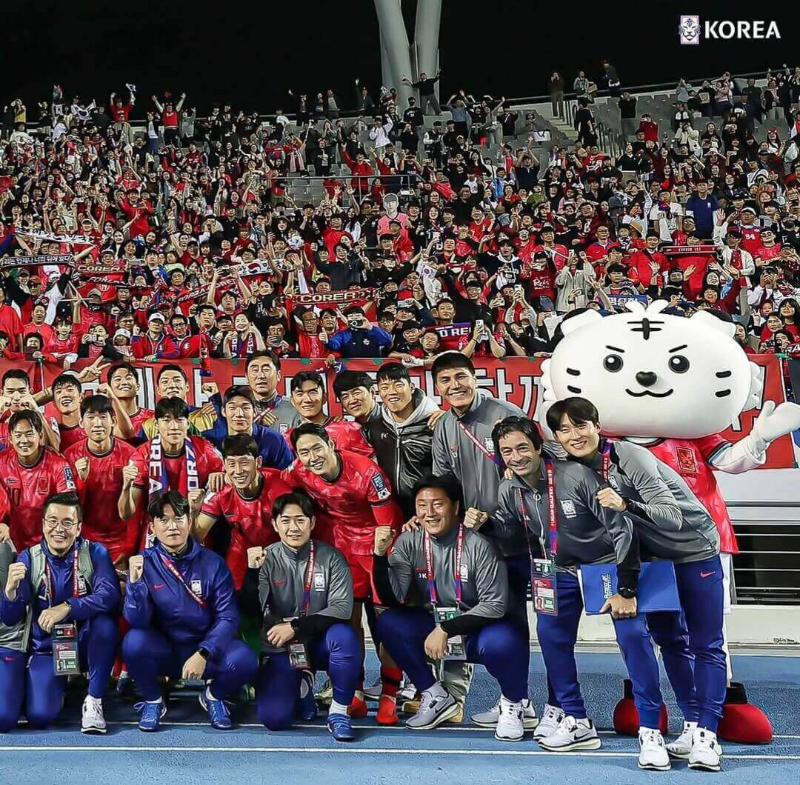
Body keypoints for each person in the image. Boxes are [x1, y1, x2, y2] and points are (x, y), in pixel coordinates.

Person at [547, 397, 727, 770]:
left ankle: (708, 736)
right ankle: (691, 724)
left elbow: (672, 516)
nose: (574, 435)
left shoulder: (629, 456)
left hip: (693, 550)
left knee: (706, 644)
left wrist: (626, 505)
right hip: (652, 559)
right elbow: (520, 452)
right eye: (563, 429)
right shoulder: (572, 466)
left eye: (580, 425)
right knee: (670, 639)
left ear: (597, 426)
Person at [489, 417, 675, 770]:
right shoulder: (508, 488)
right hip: (556, 570)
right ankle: (576, 719)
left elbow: (622, 530)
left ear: (539, 447)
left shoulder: (575, 476)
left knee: (633, 638)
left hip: (604, 567)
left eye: (522, 447)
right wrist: (484, 523)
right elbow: (510, 532)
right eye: (507, 451)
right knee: (550, 636)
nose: (516, 457)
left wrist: (626, 587)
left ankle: (651, 730)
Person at [372, 474, 529, 740]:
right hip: (434, 623)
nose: (429, 513)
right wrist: (379, 556)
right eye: (422, 505)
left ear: (456, 507)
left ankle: (513, 703)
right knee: (389, 623)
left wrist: (446, 628)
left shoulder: (480, 544)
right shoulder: (409, 541)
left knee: (506, 640)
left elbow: (495, 605)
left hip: (477, 628)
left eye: (438, 504)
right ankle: (434, 694)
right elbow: (393, 598)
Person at [281, 423, 404, 723]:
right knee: (348, 620)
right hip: (341, 549)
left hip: (377, 545)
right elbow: (276, 482)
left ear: (331, 445)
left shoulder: (367, 472)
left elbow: (387, 525)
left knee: (386, 622)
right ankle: (355, 691)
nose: (312, 457)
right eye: (304, 452)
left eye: (317, 448)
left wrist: (383, 557)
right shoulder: (299, 470)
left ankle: (389, 694)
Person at [122, 490, 257, 731]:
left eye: (178, 518)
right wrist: (134, 584)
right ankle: (153, 701)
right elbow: (138, 621)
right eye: (163, 520)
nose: (172, 526)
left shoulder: (213, 563)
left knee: (245, 659)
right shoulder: (144, 562)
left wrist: (204, 652)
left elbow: (228, 616)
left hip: (204, 649)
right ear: (152, 527)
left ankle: (213, 696)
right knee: (133, 642)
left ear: (189, 520)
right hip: (165, 649)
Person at [241, 491, 361, 741]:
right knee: (275, 720)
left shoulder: (331, 558)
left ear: (312, 523)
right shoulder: (266, 558)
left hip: (319, 642)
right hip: (281, 646)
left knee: (345, 637)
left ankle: (339, 713)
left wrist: (295, 626)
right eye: (285, 521)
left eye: (300, 520)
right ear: (275, 524)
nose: (293, 528)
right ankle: (302, 683)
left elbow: (342, 608)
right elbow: (251, 612)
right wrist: (251, 574)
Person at [0, 492, 120, 734]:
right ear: (43, 524)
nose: (59, 529)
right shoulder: (29, 558)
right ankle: (54, 692)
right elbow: (11, 618)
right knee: (39, 716)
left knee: (105, 624)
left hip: (86, 642)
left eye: (67, 522)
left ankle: (94, 700)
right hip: (47, 647)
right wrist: (10, 592)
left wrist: (67, 607)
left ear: (78, 528)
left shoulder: (95, 553)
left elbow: (110, 596)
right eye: (53, 521)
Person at [195, 435, 292, 590]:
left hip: (280, 547)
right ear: (224, 465)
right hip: (241, 550)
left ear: (258, 462)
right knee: (232, 592)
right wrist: (193, 510)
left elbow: (295, 533)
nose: (238, 471)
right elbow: (196, 536)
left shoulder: (280, 486)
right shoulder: (220, 490)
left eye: (244, 462)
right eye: (231, 464)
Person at [65, 395, 147, 571]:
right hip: (83, 541)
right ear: (81, 422)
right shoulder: (70, 456)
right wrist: (81, 481)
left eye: (103, 417)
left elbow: (132, 514)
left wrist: (129, 548)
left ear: (113, 421)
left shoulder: (131, 456)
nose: (97, 423)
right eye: (91, 417)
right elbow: (70, 512)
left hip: (121, 543)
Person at [363, 362, 443, 517]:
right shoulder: (374, 427)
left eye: (398, 385)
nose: (391, 392)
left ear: (411, 387)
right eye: (385, 387)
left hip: (428, 512)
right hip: (390, 512)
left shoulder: (435, 423)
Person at [136, 398, 225, 522]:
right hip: (154, 524)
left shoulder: (204, 449)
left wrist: (220, 474)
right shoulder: (142, 454)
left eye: (179, 420)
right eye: (166, 420)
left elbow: (229, 474)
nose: (174, 427)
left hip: (195, 521)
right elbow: (130, 510)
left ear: (188, 424)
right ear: (156, 425)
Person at [0, 410, 76, 550]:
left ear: (40, 436)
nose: (24, 440)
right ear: (10, 438)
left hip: (48, 543)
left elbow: (69, 505)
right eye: (18, 435)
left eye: (29, 434)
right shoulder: (1, 462)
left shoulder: (59, 464)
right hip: (10, 540)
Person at [200, 386, 293, 470]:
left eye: (245, 408)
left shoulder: (274, 440)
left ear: (255, 411)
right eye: (232, 408)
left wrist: (262, 476)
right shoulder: (209, 441)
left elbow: (289, 476)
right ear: (223, 411)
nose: (239, 414)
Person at [287, 371, 374, 457]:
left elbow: (370, 462)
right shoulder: (287, 438)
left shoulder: (348, 429)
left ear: (324, 397)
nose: (307, 400)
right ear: (292, 401)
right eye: (300, 394)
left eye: (313, 392)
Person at [244, 350, 303, 433]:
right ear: (247, 377)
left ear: (278, 375)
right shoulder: (239, 411)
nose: (261, 375)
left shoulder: (295, 409)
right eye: (255, 370)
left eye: (266, 369)